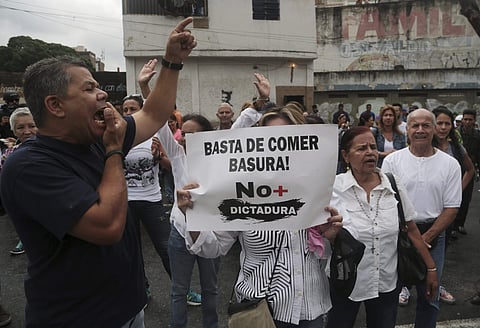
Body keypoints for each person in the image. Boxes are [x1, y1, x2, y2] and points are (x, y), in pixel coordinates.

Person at [0, 18, 196, 327]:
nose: (103, 94)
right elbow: (107, 227)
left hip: (129, 309)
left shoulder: (96, 138)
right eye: (90, 88)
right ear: (55, 105)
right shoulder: (28, 166)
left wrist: (172, 62)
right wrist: (114, 150)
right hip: (79, 317)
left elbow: (154, 114)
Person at [179, 106, 347, 327]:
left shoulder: (322, 188)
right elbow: (213, 248)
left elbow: (333, 256)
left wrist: (332, 237)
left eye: (286, 137)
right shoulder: (239, 190)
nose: (277, 145)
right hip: (259, 310)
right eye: (269, 137)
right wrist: (193, 216)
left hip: (310, 309)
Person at [327, 126, 437, 328]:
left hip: (385, 282)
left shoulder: (393, 185)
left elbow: (411, 229)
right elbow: (318, 237)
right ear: (345, 155)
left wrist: (431, 268)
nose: (370, 152)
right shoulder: (332, 188)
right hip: (346, 282)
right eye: (361, 149)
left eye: (372, 147)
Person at [137, 61, 217, 326]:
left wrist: (259, 104)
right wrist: (145, 87)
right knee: (178, 291)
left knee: (211, 291)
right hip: (180, 234)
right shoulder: (178, 156)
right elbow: (158, 119)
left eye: (195, 135)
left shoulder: (222, 163)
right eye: (185, 134)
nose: (186, 138)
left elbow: (240, 130)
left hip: (210, 233)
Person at [382, 108, 462, 328]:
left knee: (430, 296)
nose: (420, 130)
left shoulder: (450, 164)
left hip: (434, 236)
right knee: (389, 295)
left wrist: (425, 238)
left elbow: (452, 208)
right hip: (398, 237)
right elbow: (387, 203)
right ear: (406, 130)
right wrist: (411, 239)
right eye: (414, 125)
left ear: (434, 129)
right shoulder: (392, 162)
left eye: (426, 125)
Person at [122, 94, 173, 301]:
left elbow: (172, 166)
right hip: (125, 203)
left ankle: (182, 289)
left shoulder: (154, 135)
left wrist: (159, 155)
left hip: (152, 200)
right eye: (124, 110)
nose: (128, 113)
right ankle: (142, 287)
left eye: (132, 108)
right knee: (132, 250)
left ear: (141, 110)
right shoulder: (117, 137)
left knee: (166, 248)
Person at [430, 106, 475, 305]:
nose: (442, 127)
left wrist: (457, 190)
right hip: (424, 205)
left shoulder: (456, 148)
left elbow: (470, 170)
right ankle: (406, 285)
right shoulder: (423, 144)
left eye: (446, 123)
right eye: (439, 123)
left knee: (440, 248)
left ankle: (436, 285)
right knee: (412, 248)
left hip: (446, 209)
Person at [0, 107, 38, 256]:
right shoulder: (9, 155)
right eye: (20, 127)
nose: (27, 131)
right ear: (13, 131)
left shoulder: (53, 148)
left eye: (32, 126)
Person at [457, 109, 480, 234]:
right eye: (465, 119)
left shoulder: (477, 135)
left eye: (470, 119)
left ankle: (460, 224)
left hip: (469, 169)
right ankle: (452, 226)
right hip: (456, 169)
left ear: (474, 121)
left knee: (466, 198)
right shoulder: (456, 134)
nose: (467, 122)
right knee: (453, 197)